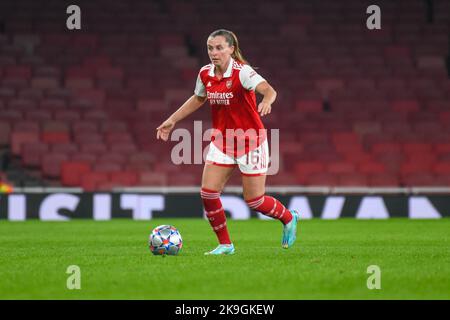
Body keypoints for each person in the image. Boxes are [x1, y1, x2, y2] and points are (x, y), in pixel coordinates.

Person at [156, 29, 300, 255]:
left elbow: (269, 90)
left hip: (251, 142)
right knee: (208, 193)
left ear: (231, 49)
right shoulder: (205, 73)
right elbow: (198, 98)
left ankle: (289, 218)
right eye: (210, 48)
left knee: (254, 201)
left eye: (219, 48)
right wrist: (172, 120)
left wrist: (267, 101)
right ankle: (225, 245)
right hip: (222, 142)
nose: (214, 53)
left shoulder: (243, 73)